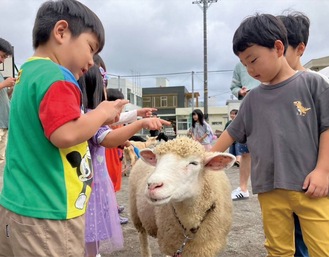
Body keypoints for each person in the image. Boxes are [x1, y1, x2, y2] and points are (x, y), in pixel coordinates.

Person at [0, 1, 129, 257]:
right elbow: (66, 133)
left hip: (17, 205)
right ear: (61, 32)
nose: (92, 61)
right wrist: (102, 112)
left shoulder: (28, 73)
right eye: (90, 49)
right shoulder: (58, 77)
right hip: (50, 212)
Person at [212, 13, 329, 256]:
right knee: (277, 249)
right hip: (269, 189)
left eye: (253, 60)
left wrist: (323, 171)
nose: (250, 70)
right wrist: (199, 158)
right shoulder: (253, 99)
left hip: (311, 187)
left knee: (322, 248)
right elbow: (230, 134)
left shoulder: (312, 84)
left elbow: (326, 129)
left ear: (277, 47)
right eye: (244, 65)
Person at [80, 64, 170, 257]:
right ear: (96, 88)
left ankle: (91, 253)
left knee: (92, 226)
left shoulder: (86, 113)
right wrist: (140, 123)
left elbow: (113, 121)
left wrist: (137, 114)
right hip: (91, 182)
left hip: (94, 179)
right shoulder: (89, 116)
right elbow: (109, 138)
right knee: (90, 226)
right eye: (104, 85)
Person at [229, 62, 260, 200]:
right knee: (245, 151)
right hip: (247, 106)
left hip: (269, 103)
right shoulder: (239, 66)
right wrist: (239, 92)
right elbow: (233, 86)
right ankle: (243, 188)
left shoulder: (268, 55)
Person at [0, 38, 16, 165]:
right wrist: (4, 83)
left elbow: (5, 96)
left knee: (1, 159)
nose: (2, 60)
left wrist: (11, 87)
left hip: (4, 122)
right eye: (2, 56)